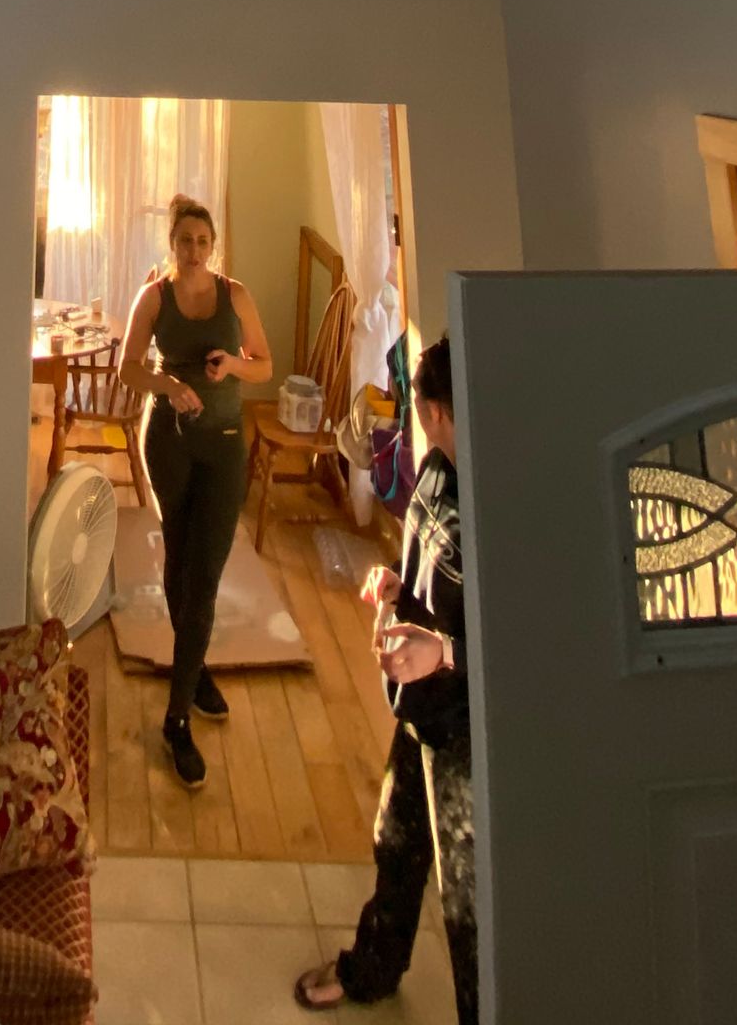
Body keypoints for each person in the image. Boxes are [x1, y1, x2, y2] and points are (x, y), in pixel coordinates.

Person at [294, 335, 476, 1017]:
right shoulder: (436, 473)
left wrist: (446, 653)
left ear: (432, 409)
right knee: (396, 844)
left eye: (428, 411)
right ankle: (371, 969)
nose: (428, 422)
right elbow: (429, 566)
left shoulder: (507, 499)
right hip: (420, 710)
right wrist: (395, 587)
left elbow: (532, 637)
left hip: (469, 734)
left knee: (470, 911)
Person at [116, 194, 273, 790]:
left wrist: (231, 366)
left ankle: (176, 718)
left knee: (204, 571)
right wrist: (168, 383)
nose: (194, 249)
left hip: (226, 444)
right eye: (184, 240)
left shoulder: (236, 295)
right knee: (180, 562)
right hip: (170, 442)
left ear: (213, 246)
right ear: (173, 244)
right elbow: (128, 368)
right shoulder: (153, 297)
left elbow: (265, 365)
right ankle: (195, 665)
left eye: (203, 241)